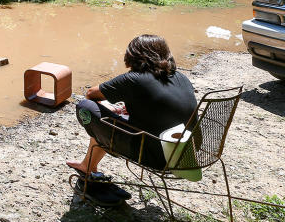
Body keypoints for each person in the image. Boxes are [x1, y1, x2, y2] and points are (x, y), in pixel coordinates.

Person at [67, 35, 198, 197]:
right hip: (187, 152)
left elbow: (90, 94)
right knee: (111, 117)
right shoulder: (181, 77)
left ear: (133, 55)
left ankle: (88, 165)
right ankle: (87, 165)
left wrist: (112, 107)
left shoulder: (135, 78)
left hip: (158, 157)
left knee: (86, 107)